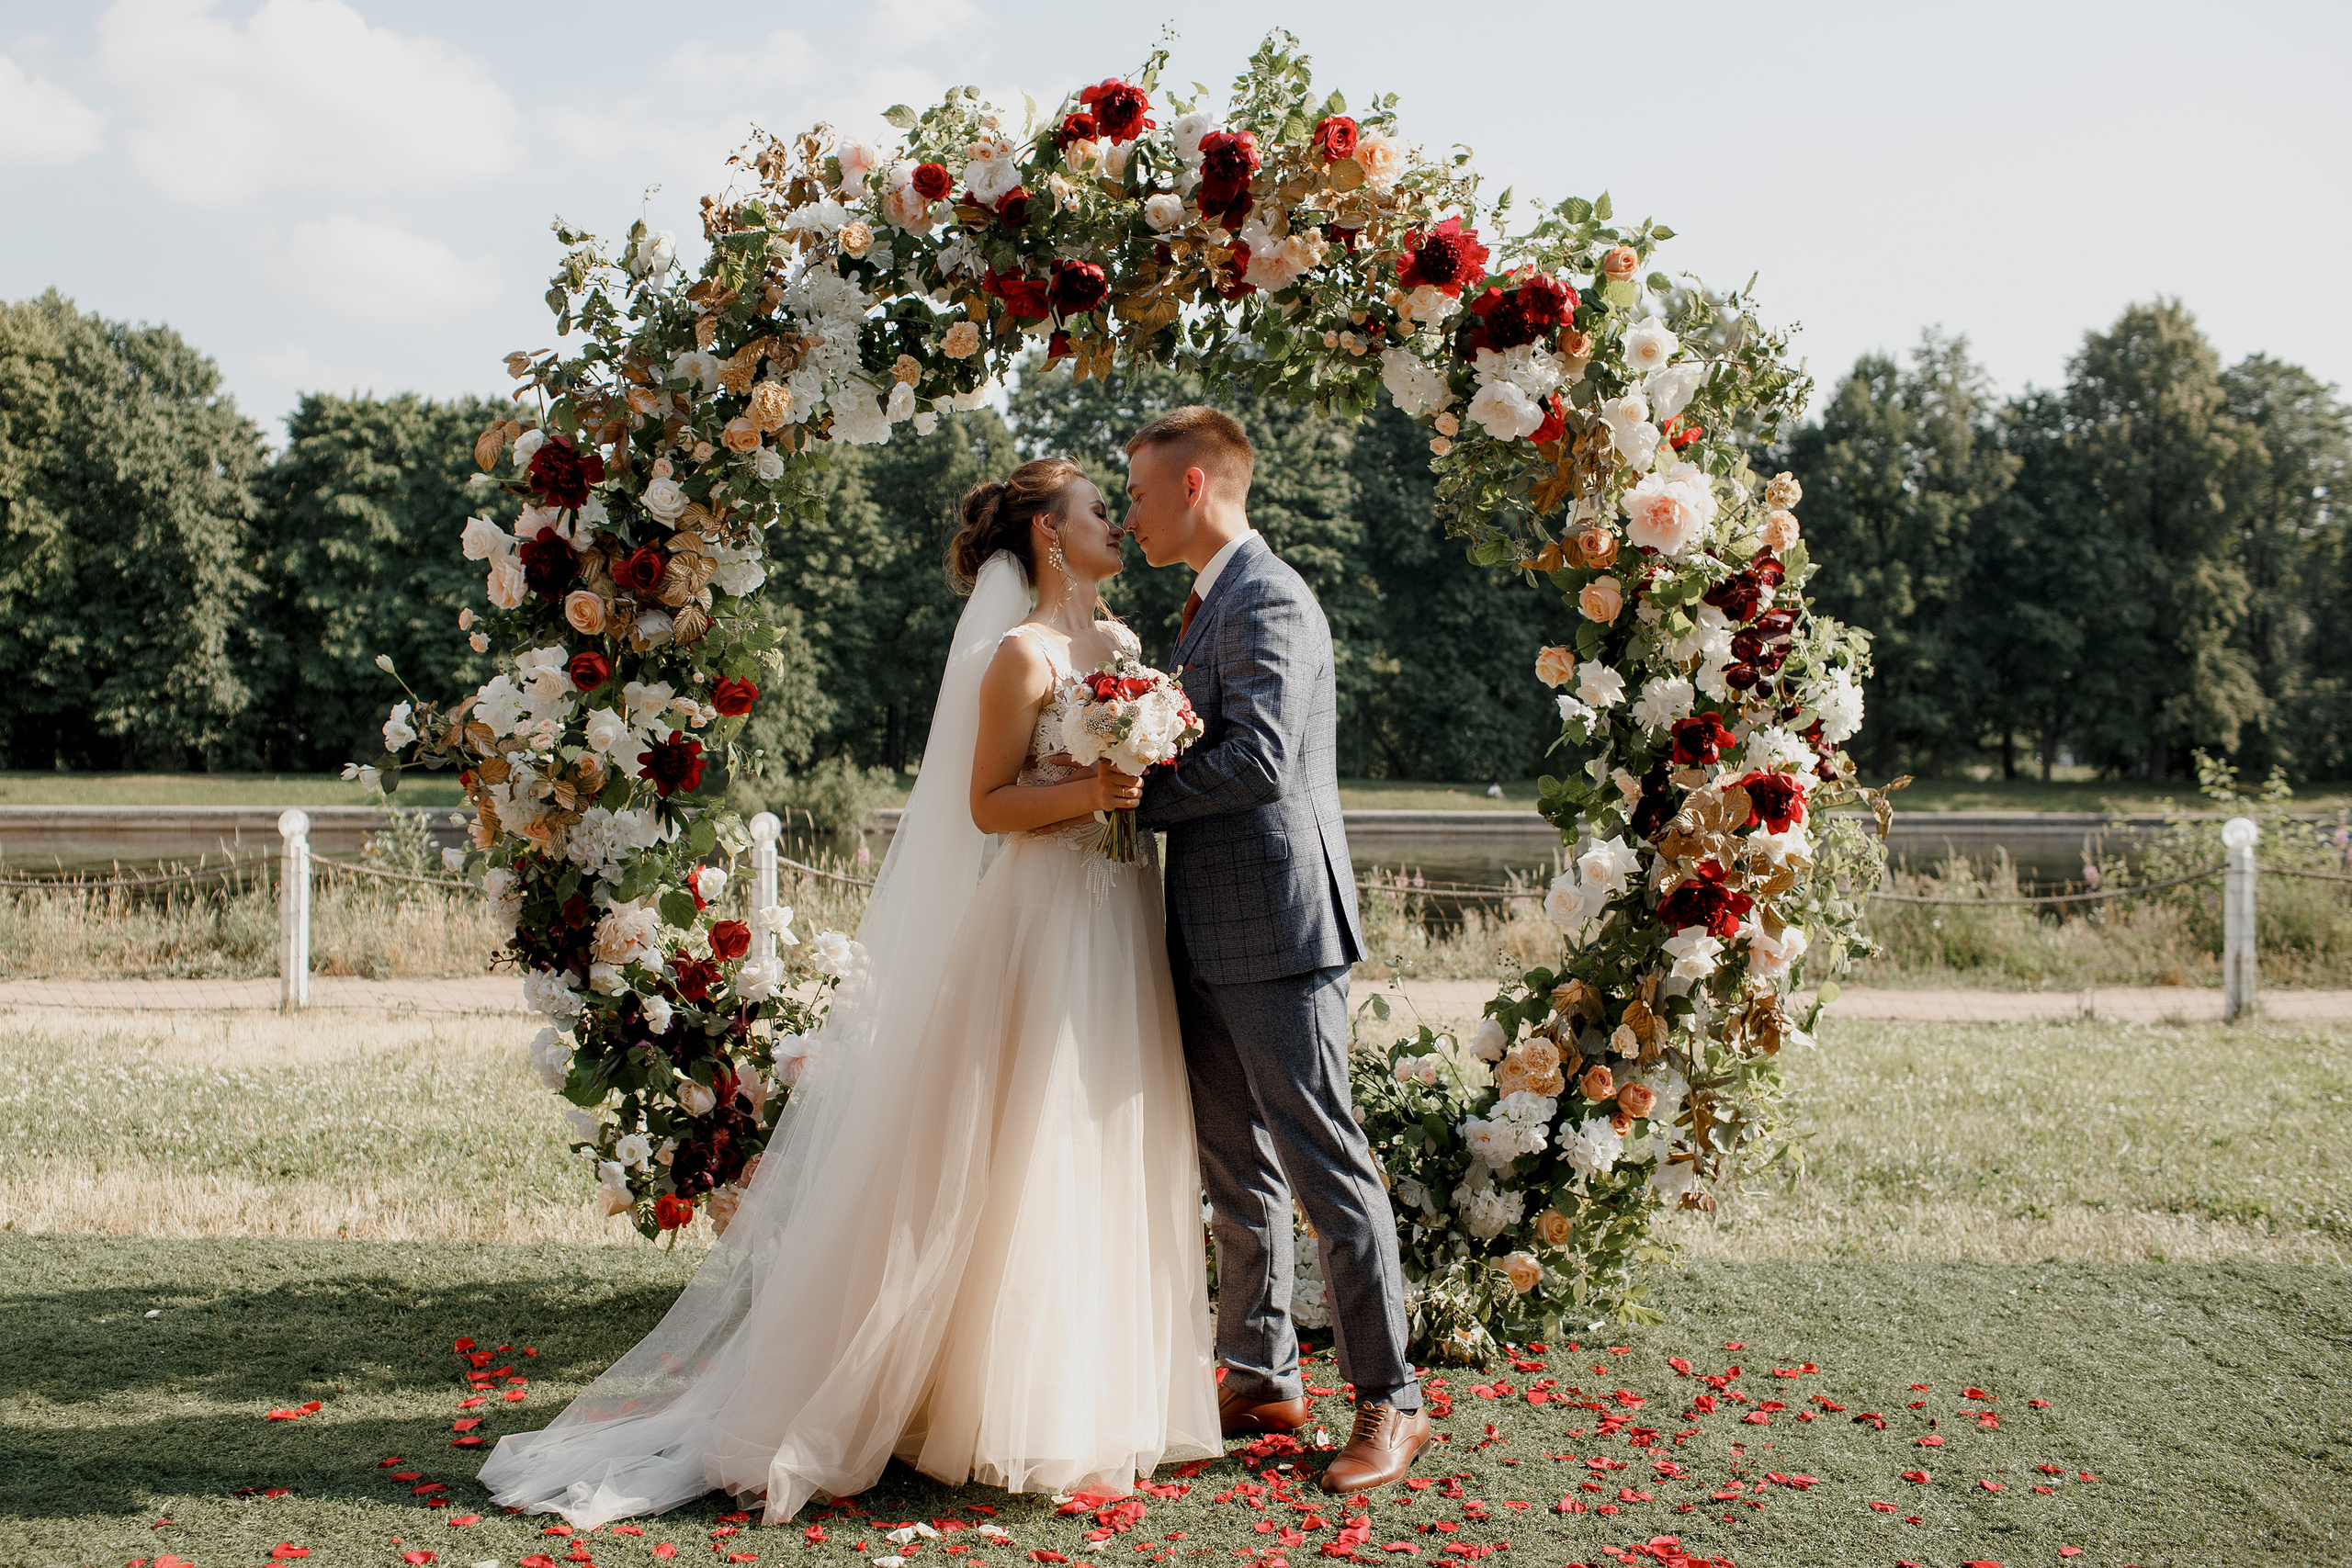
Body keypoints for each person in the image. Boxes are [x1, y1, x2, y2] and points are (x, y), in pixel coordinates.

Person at [477, 457, 1221, 1528]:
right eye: (1098, 509)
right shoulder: (1019, 655)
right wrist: (1089, 791)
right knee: (1031, 1135)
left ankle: (1090, 1396)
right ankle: (990, 1404)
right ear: (1049, 535)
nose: (1117, 520)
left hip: (1119, 910)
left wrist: (1132, 780)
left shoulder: (1125, 648)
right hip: (1044, 915)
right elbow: (985, 805)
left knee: (1103, 1130)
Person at [1123, 407, 1430, 1495]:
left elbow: (1256, 762)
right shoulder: (1207, 605)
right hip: (1205, 929)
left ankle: (1392, 1399)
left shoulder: (1268, 597)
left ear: (1193, 485)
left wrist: (1123, 791)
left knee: (1324, 1167)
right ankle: (1260, 1375)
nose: (1130, 515)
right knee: (1234, 1172)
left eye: (1139, 494)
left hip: (1279, 929)